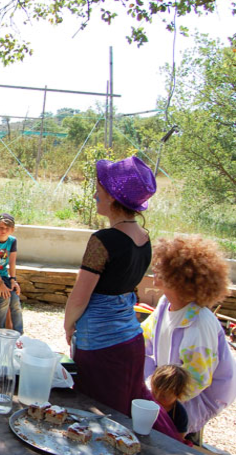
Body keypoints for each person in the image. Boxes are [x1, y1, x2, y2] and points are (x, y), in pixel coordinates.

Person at [64, 156, 157, 416]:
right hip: (131, 338)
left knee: (96, 415)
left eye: (100, 190)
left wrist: (69, 324)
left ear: (114, 197)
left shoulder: (102, 240)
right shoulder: (145, 238)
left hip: (100, 345)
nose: (95, 195)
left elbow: (80, 297)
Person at [142, 235, 236, 435]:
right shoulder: (165, 305)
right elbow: (144, 339)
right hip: (168, 387)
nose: (155, 267)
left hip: (193, 399)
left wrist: (159, 397)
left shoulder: (199, 324)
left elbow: (197, 380)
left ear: (179, 277)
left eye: (163, 265)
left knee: (166, 434)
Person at [150, 364, 191, 438]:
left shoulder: (180, 414)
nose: (157, 397)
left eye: (163, 396)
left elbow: (179, 440)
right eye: (154, 392)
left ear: (178, 395)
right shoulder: (147, 401)